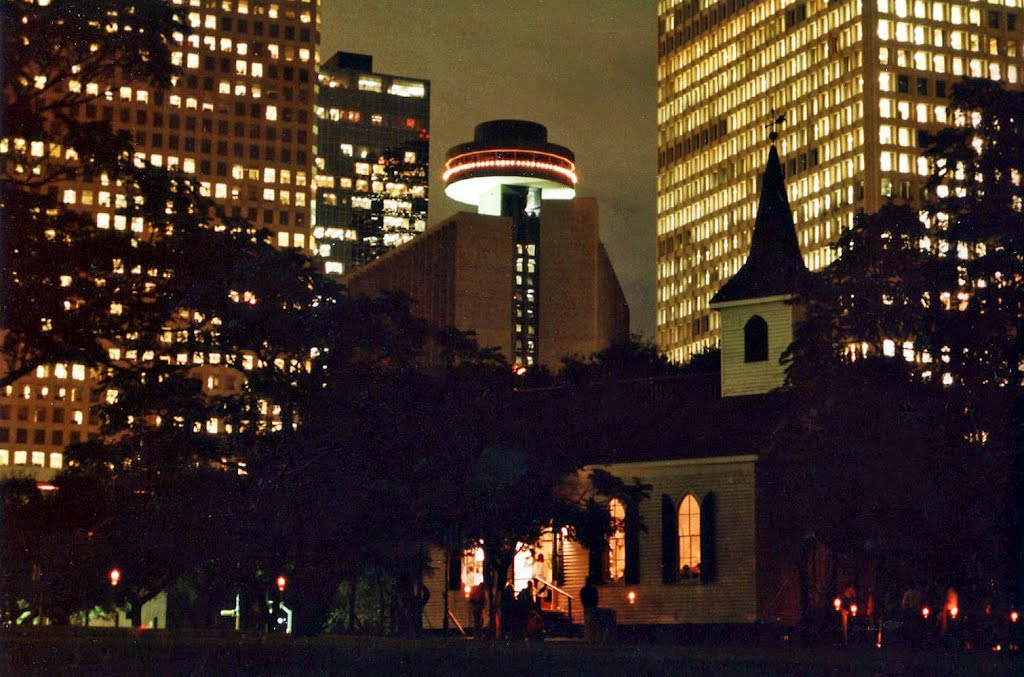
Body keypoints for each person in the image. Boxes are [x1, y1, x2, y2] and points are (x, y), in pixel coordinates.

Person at [580, 576, 599, 643]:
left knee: (588, 624)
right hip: (592, 608)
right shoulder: (593, 589)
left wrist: (585, 605)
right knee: (593, 624)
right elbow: (596, 598)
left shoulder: (583, 589)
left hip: (587, 608)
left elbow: (582, 598)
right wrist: (594, 605)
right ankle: (593, 639)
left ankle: (588, 638)